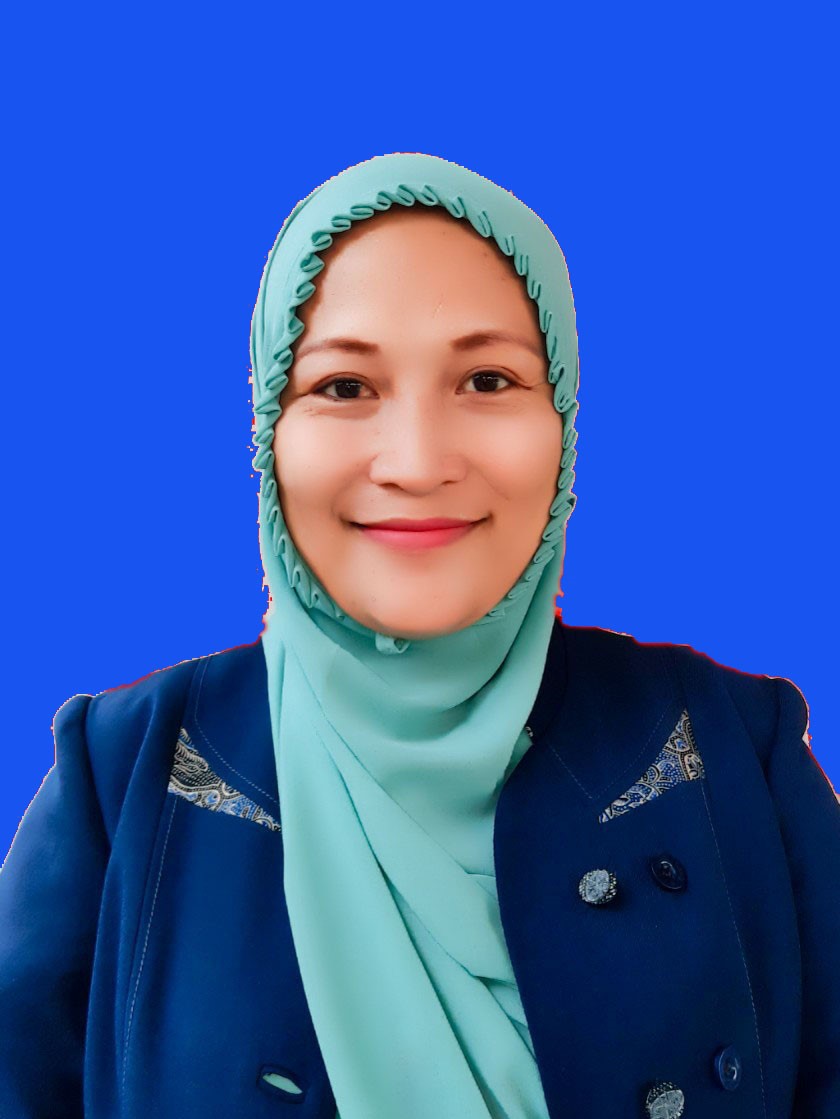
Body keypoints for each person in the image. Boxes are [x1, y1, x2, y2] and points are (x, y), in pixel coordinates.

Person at [1, 152, 837, 1119]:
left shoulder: (728, 742)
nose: (416, 462)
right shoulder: (129, 771)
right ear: (270, 431)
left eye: (486, 379)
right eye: (344, 387)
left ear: (564, 422)